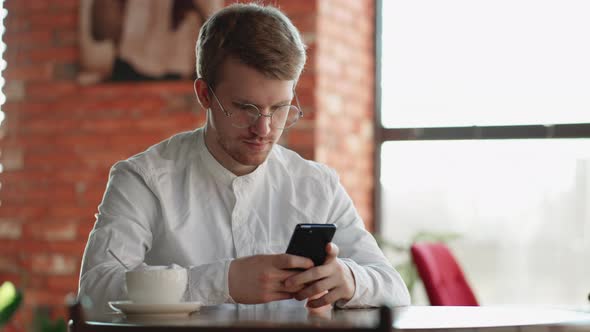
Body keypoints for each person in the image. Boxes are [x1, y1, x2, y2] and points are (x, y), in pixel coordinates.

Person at [78, 3, 410, 315]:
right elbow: (95, 290)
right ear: (204, 95)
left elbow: (394, 289)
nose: (263, 128)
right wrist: (223, 281)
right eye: (245, 108)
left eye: (279, 108)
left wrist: (349, 281)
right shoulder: (142, 179)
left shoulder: (316, 184)